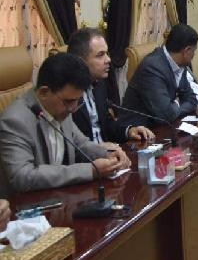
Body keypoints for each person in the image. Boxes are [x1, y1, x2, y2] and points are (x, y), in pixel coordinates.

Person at [0, 53, 129, 196]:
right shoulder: (14, 120)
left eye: (77, 100)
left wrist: (108, 155)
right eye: (69, 101)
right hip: (27, 204)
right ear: (43, 92)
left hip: (59, 197)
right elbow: (22, 177)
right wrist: (90, 170)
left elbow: (80, 144)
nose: (73, 108)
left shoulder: (61, 106)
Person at [67, 28, 154, 143]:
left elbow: (106, 124)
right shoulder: (67, 95)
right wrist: (98, 149)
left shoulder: (99, 84)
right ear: (80, 61)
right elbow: (68, 142)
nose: (108, 59)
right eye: (100, 55)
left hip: (108, 152)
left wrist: (129, 131)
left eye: (107, 53)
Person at [120, 24, 198, 126]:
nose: (194, 55)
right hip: (139, 130)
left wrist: (175, 106)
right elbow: (166, 114)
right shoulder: (153, 67)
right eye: (194, 51)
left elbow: (192, 100)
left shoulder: (180, 64)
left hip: (164, 126)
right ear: (186, 51)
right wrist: (178, 103)